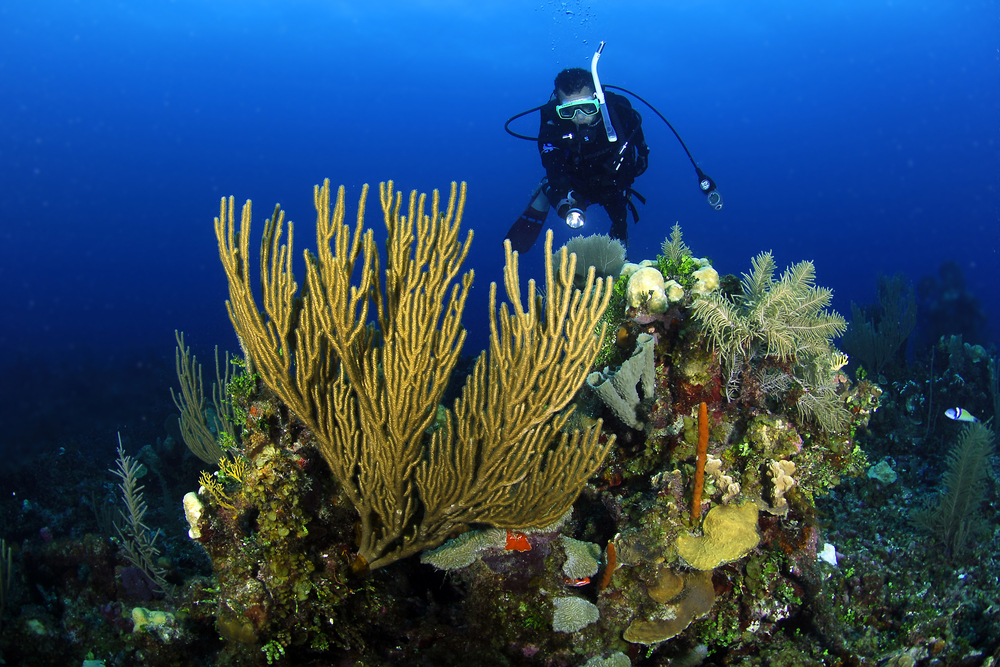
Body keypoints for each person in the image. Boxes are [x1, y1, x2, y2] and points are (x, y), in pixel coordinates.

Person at [505, 67, 650, 253]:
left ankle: (619, 256)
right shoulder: (552, 129)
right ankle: (546, 190)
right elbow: (553, 167)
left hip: (612, 183)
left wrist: (642, 158)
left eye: (587, 107)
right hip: (575, 185)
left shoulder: (619, 112)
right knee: (565, 203)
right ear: (559, 107)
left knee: (620, 222)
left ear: (597, 98)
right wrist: (565, 193)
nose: (580, 117)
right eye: (569, 111)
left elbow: (639, 142)